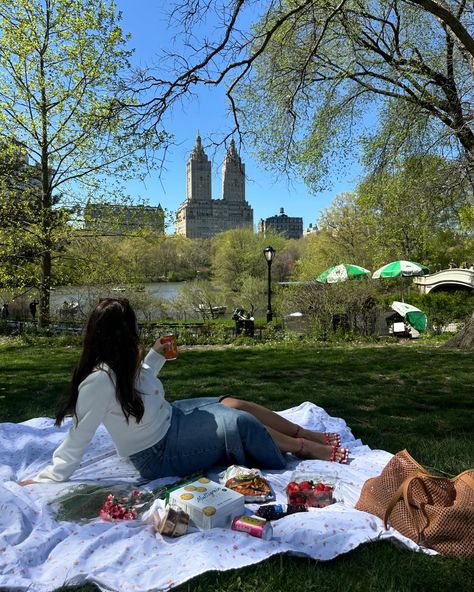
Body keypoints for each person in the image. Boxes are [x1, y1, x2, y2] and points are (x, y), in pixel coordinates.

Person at [18, 299, 348, 486]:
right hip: (159, 454)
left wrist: (155, 355)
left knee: (233, 402)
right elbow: (79, 436)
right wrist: (51, 475)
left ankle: (302, 432)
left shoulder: (121, 360)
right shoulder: (98, 381)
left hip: (173, 418)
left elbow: (140, 385)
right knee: (238, 422)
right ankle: (301, 447)